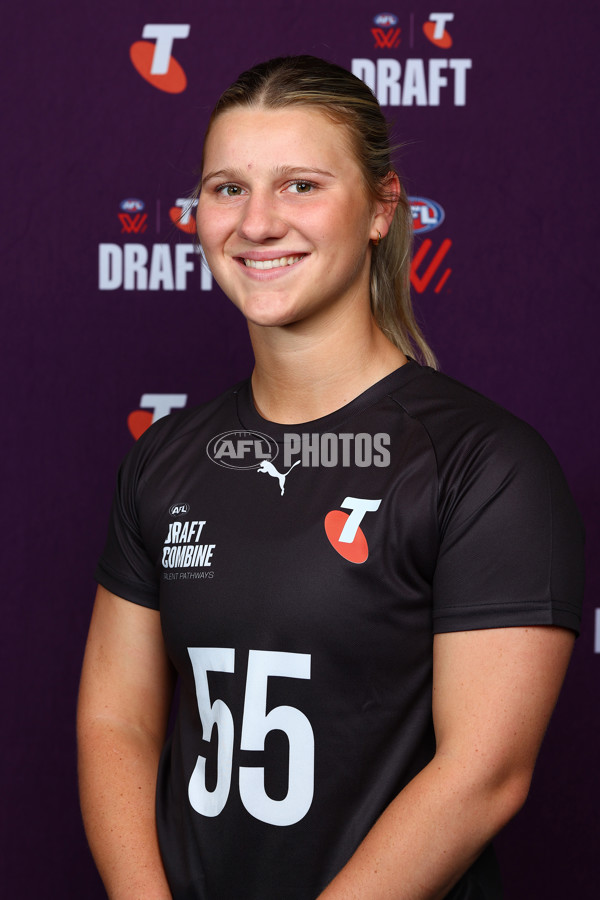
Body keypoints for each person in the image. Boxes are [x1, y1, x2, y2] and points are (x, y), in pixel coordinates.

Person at [77, 56, 584, 900]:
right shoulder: (165, 461)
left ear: (383, 209)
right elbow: (116, 721)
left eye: (301, 185)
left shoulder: (483, 464)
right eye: (227, 189)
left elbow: (483, 776)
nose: (259, 222)